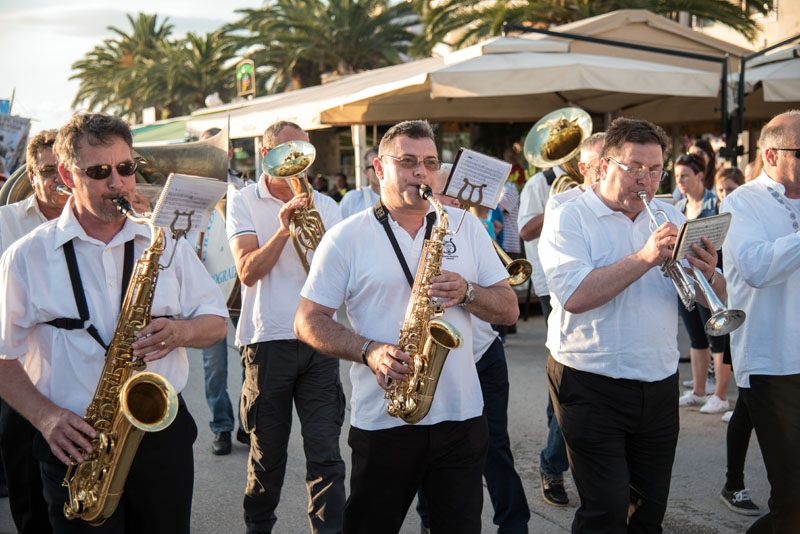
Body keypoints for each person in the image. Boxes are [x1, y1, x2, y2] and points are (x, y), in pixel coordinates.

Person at [0, 111, 228, 533]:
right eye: (100, 172)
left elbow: (216, 321)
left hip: (159, 435)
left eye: (126, 168)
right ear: (68, 177)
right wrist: (46, 418)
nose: (118, 183)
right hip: (75, 441)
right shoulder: (26, 257)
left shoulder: (162, 241)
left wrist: (182, 331)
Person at [294, 119, 518, 534]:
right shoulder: (346, 237)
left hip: (461, 417)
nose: (422, 173)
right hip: (385, 420)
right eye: (409, 162)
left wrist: (469, 292)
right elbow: (307, 321)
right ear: (379, 168)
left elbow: (508, 310)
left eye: (431, 163)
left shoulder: (464, 225)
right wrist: (369, 351)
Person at [539, 117, 726, 532]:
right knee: (604, 510)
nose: (646, 179)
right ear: (604, 166)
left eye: (655, 169)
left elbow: (717, 296)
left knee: (649, 512)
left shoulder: (670, 213)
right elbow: (576, 296)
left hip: (657, 382)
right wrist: (645, 257)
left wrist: (710, 274)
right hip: (589, 379)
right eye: (634, 168)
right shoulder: (568, 214)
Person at [226, 120, 345, 534]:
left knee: (326, 455)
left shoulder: (327, 206)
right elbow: (246, 272)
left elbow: (340, 278)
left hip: (319, 341)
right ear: (266, 155)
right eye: (289, 151)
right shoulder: (242, 201)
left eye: (304, 151)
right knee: (267, 457)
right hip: (267, 342)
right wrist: (283, 229)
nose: (299, 160)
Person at [415, 163, 530, 534]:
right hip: (434, 358)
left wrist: (467, 291)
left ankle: (514, 525)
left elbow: (505, 302)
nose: (452, 199)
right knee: (427, 450)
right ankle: (431, 523)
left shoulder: (471, 226)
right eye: (445, 191)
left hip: (482, 354)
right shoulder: (414, 227)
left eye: (456, 192)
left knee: (494, 447)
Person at [720, 109, 800, 532]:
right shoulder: (741, 202)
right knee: (792, 502)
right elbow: (755, 267)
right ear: (771, 155)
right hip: (773, 364)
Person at [0, 128, 67, 534]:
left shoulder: (100, 222)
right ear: (29, 172)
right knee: (29, 501)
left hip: (81, 377)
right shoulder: (4, 223)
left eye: (64, 169)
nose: (58, 179)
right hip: (20, 377)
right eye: (47, 170)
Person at [535, 132, 604, 508]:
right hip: (572, 330)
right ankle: (550, 466)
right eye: (600, 167)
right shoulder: (563, 202)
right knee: (565, 419)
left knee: (564, 412)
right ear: (585, 169)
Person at [713, 167, 760, 516]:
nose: (724, 195)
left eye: (730, 188)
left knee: (747, 408)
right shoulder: (732, 217)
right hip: (743, 319)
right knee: (746, 408)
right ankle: (734, 483)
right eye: (721, 189)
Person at [197, 126, 247, 455]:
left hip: (242, 286)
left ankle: (248, 423)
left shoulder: (245, 187)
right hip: (208, 286)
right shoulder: (191, 190)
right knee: (214, 366)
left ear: (229, 154)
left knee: (250, 362)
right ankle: (221, 426)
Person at [673, 153, 731, 414]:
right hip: (685, 278)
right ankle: (699, 391)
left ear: (699, 175)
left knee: (717, 338)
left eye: (684, 175)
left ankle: (719, 395)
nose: (680, 181)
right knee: (696, 337)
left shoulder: (715, 203)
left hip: (708, 279)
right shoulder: (678, 204)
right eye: (676, 176)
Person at [339, 146, 380, 219]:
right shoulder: (352, 199)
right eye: (375, 167)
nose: (381, 171)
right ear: (365, 172)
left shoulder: (402, 199)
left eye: (385, 166)